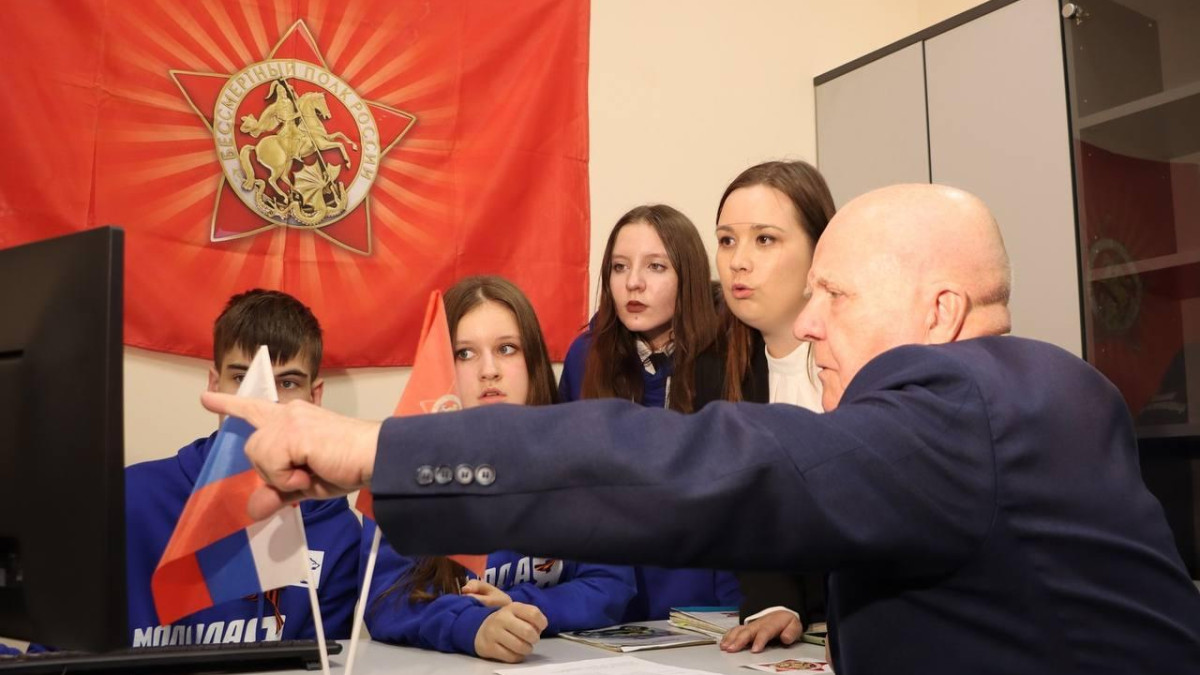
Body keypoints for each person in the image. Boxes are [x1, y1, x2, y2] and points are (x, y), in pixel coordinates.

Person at [206, 185, 1200, 675]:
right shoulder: (1046, 392)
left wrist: (375, 449)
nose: (810, 323)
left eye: (837, 296)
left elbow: (702, 465)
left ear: (938, 312)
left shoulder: (962, 405)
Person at [362, 276, 635, 663]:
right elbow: (386, 600)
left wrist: (520, 607)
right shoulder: (401, 471)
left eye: (506, 349)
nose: (488, 370)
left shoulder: (580, 463)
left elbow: (612, 586)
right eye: (465, 353)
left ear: (533, 362)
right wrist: (473, 626)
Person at [125, 289, 360, 647]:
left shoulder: (337, 530)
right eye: (241, 379)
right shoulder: (130, 498)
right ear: (214, 386)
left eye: (287, 383)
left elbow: (319, 663)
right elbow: (56, 653)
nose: (263, 402)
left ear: (314, 398)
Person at [559, 204, 739, 621]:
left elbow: (741, 500)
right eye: (619, 267)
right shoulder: (586, 355)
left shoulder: (727, 353)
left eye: (655, 267)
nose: (633, 283)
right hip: (613, 605)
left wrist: (738, 608)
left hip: (714, 606)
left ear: (688, 277)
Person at [695, 161, 834, 653]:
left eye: (765, 239)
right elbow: (741, 508)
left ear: (820, 251)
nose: (738, 261)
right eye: (727, 240)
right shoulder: (712, 367)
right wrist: (773, 602)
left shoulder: (870, 359)